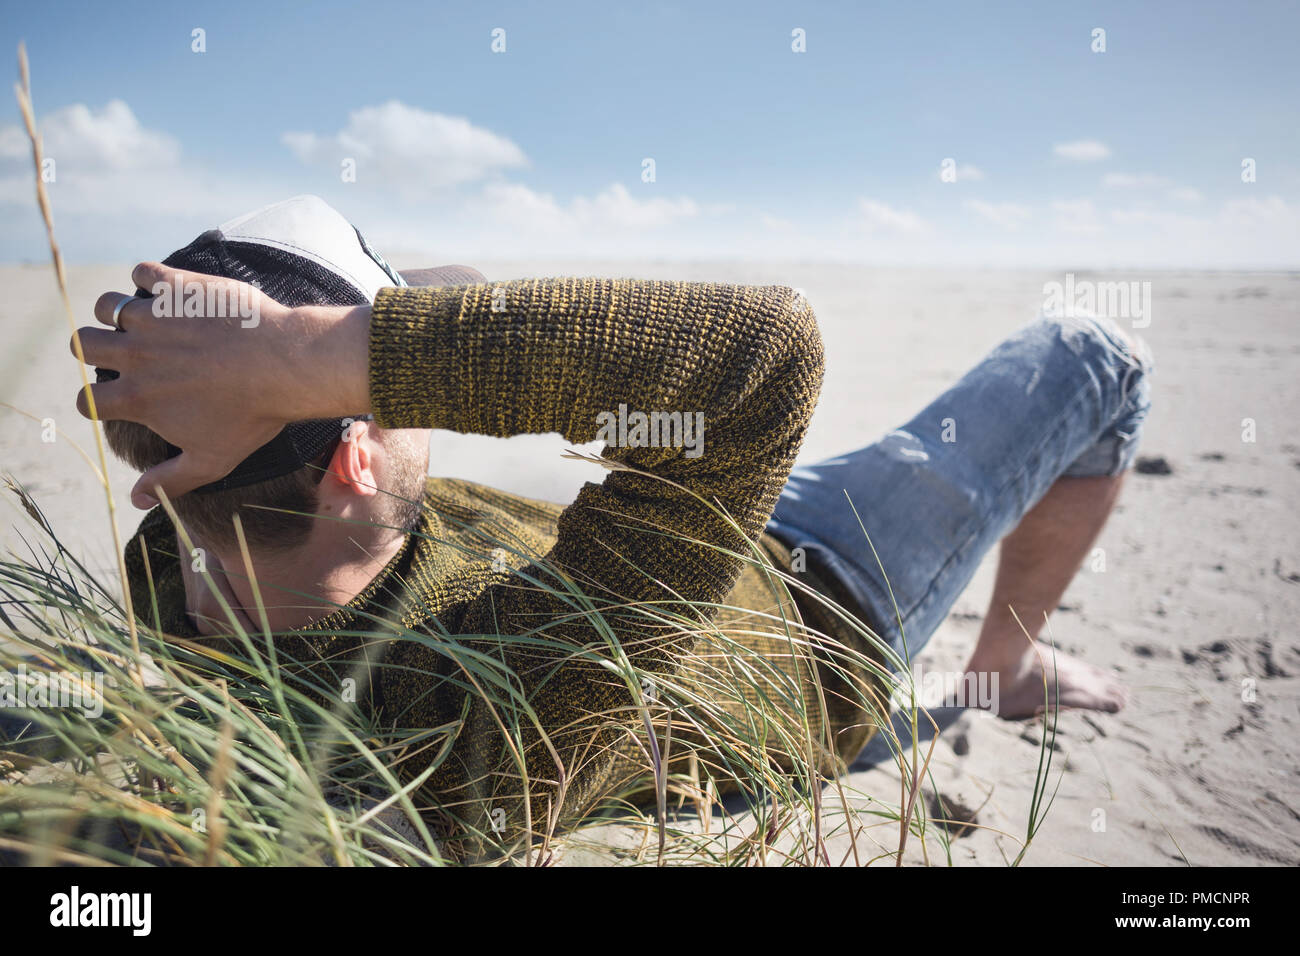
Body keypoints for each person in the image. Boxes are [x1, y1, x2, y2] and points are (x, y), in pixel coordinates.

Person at [69, 196, 1152, 847]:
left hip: (691, 519)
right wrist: (308, 357)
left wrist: (294, 361)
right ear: (353, 458)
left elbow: (465, 294)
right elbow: (759, 360)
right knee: (1095, 357)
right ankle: (1005, 663)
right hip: (827, 607)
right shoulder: (489, 702)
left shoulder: (181, 554)